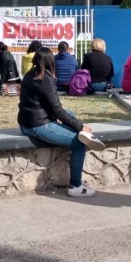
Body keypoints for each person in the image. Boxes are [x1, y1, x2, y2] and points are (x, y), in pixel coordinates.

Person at [18, 47, 105, 197]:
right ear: (51, 61)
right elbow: (58, 110)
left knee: (70, 115)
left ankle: (82, 131)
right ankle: (75, 186)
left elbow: (48, 106)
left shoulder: (30, 75)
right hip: (38, 125)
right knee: (80, 142)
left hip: (28, 121)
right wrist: (80, 126)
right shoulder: (45, 79)